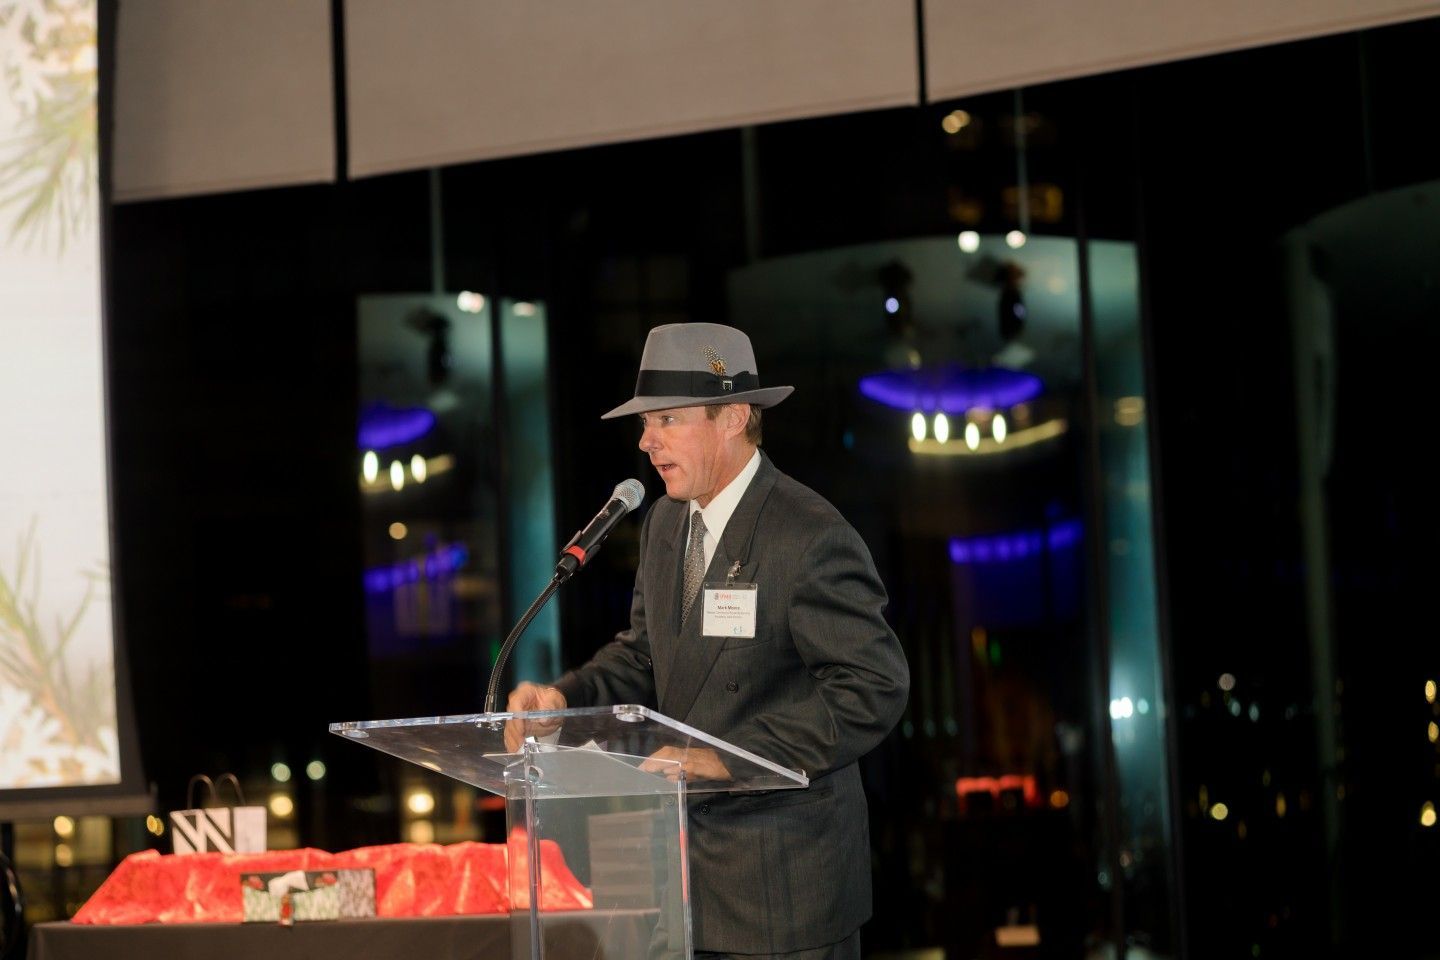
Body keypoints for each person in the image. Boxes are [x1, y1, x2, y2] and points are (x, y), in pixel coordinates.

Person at [507, 322, 909, 959]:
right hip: (684, 885)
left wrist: (731, 756)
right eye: (646, 423)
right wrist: (565, 699)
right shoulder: (666, 523)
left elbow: (873, 687)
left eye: (666, 420)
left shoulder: (807, 533)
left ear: (734, 418)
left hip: (783, 895)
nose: (646, 442)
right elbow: (645, 653)